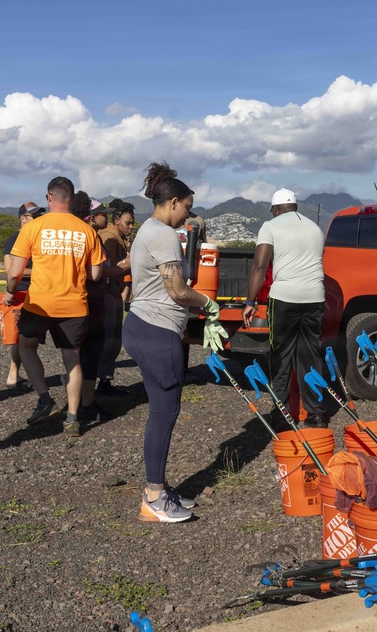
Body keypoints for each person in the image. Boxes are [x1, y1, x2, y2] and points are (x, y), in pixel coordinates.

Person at [124, 162, 220, 523]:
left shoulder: (148, 230)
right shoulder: (162, 234)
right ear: (173, 202)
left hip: (145, 326)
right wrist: (207, 304)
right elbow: (177, 290)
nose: (187, 216)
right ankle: (153, 498)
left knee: (164, 410)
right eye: (186, 208)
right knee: (164, 412)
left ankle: (160, 488)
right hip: (154, 329)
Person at [3, 177, 106, 437]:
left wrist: (10, 291)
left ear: (49, 198)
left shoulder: (33, 227)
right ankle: (72, 418)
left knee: (26, 346)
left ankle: (45, 399)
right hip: (74, 304)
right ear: (71, 199)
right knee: (72, 359)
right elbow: (95, 274)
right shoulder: (87, 231)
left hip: (39, 303)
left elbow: (14, 273)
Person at [242, 188, 327, 427]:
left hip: (284, 298)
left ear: (275, 209)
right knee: (310, 356)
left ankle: (281, 416)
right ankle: (316, 415)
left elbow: (260, 266)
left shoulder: (271, 226)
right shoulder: (315, 228)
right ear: (295, 207)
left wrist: (250, 302)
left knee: (281, 355)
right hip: (315, 297)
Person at [71, 194, 116, 423]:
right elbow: (96, 272)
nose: (106, 218)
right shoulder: (90, 237)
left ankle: (78, 403)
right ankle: (85, 403)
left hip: (79, 298)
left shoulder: (76, 235)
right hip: (91, 298)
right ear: (91, 216)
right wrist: (123, 267)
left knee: (78, 353)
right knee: (91, 351)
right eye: (102, 214)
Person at [0, 201, 45, 387]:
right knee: (27, 339)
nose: (38, 220)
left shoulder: (37, 237)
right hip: (22, 292)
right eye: (34, 217)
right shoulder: (15, 239)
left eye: (39, 216)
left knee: (23, 338)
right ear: (23, 219)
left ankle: (14, 374)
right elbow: (10, 269)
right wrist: (42, 272)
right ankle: (30, 379)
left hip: (34, 291)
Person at [97, 199, 135, 395]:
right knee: (107, 341)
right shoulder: (109, 237)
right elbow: (107, 269)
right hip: (107, 295)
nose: (131, 226)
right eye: (128, 222)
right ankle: (100, 383)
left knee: (112, 341)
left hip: (114, 293)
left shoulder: (119, 237)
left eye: (132, 223)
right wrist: (130, 263)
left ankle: (103, 382)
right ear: (116, 219)